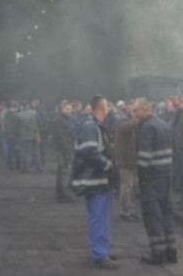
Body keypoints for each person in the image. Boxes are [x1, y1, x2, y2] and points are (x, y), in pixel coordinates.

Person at [71, 95, 119, 270]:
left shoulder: (95, 126)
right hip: (95, 181)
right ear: (101, 108)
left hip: (100, 181)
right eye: (107, 106)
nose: (109, 110)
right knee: (99, 218)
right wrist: (108, 165)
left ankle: (100, 251)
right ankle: (100, 255)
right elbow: (90, 152)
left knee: (101, 218)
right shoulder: (91, 127)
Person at [135, 98, 177, 265]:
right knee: (166, 212)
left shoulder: (147, 127)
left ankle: (157, 252)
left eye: (136, 110)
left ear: (145, 110)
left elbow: (144, 157)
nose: (134, 114)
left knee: (152, 215)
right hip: (166, 175)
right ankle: (171, 250)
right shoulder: (163, 124)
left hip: (151, 178)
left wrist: (141, 178)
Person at [114, 102, 141, 222]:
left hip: (128, 159)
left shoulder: (125, 120)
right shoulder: (122, 120)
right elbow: (125, 127)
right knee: (127, 187)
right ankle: (126, 211)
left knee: (129, 186)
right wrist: (138, 119)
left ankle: (129, 210)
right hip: (125, 160)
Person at [51, 100, 77, 203]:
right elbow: (61, 136)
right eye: (67, 109)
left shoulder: (64, 119)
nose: (69, 111)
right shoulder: (60, 120)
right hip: (63, 150)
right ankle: (62, 194)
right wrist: (68, 149)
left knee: (63, 171)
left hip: (63, 149)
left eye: (70, 109)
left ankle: (61, 193)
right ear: (62, 109)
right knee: (63, 172)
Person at [18, 103, 42, 173]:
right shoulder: (34, 113)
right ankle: (38, 168)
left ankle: (23, 168)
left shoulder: (19, 115)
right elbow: (40, 123)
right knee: (36, 152)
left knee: (23, 152)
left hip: (23, 135)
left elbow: (17, 125)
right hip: (34, 134)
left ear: (22, 107)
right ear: (28, 106)